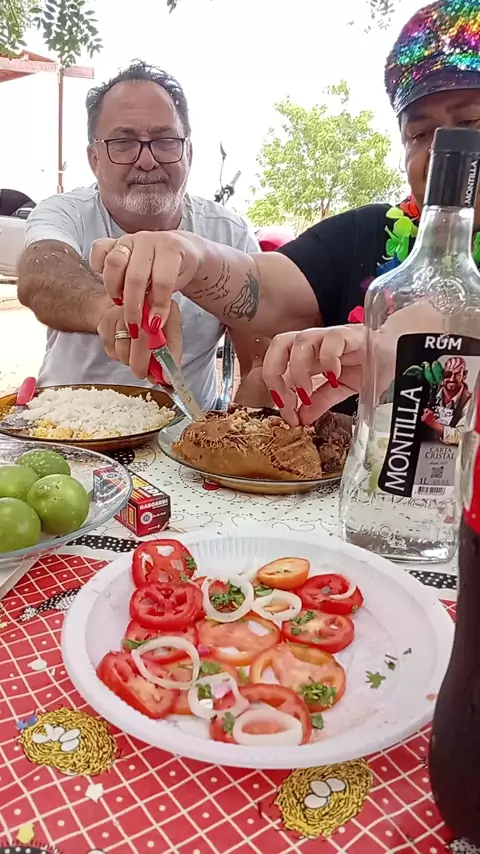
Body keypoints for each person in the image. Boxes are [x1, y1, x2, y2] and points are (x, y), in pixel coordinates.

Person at [89, 0, 480, 422]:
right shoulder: (366, 233)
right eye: (420, 133)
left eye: (471, 122)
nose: (445, 149)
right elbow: (265, 288)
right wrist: (188, 255)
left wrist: (410, 348)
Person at [16, 61, 262, 410]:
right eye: (123, 142)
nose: (146, 161)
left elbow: (259, 365)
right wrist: (108, 312)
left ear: (189, 153)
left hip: (186, 435)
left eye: (165, 141)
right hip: (65, 429)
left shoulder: (230, 234)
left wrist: (234, 436)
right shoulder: (65, 212)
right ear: (94, 158)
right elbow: (40, 273)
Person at [422, 357, 472, 445]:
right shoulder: (431, 392)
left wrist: (433, 423)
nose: (452, 379)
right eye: (448, 374)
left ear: (464, 375)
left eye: (457, 374)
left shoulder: (470, 401)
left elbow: (462, 436)